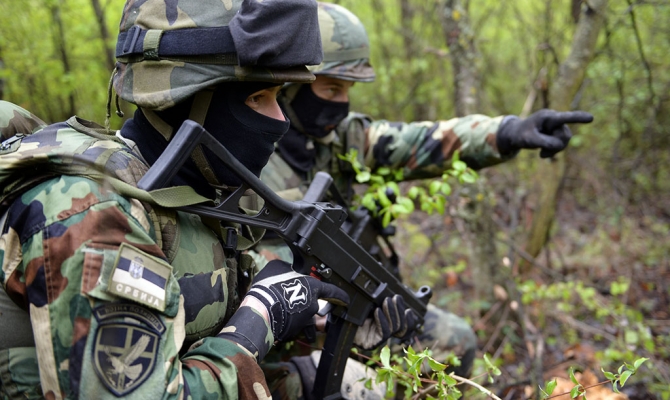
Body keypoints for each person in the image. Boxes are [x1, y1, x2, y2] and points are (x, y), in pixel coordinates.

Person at [0, 1, 412, 398]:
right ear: (184, 96)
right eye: (258, 98)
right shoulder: (94, 213)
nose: (281, 121)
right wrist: (261, 319)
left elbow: (200, 331)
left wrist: (320, 324)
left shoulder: (191, 195)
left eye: (279, 95)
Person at [252, 1, 595, 394]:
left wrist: (509, 132)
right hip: (269, 324)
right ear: (292, 83)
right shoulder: (247, 152)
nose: (342, 103)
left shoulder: (342, 139)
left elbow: (425, 141)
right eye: (332, 88)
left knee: (454, 342)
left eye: (348, 90)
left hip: (347, 309)